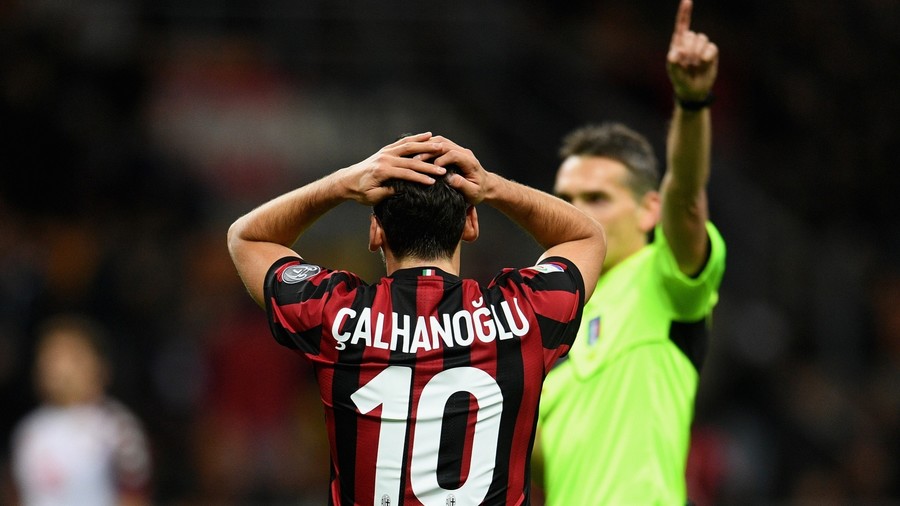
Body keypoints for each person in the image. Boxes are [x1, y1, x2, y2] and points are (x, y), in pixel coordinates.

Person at [227, 132, 606, 505]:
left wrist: (342, 183)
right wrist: (492, 186)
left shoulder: (336, 314)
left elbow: (247, 238)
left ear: (376, 232)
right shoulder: (523, 313)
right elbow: (586, 237)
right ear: (471, 225)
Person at [533, 0, 727, 504]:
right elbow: (541, 458)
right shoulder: (549, 319)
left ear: (649, 211)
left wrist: (691, 103)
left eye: (597, 198)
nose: (575, 214)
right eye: (566, 199)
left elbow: (686, 196)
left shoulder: (661, 278)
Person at [9, 314, 152, 506]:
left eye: (70, 356)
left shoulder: (116, 428)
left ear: (99, 365)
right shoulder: (30, 430)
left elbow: (135, 497)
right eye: (50, 356)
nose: (58, 367)